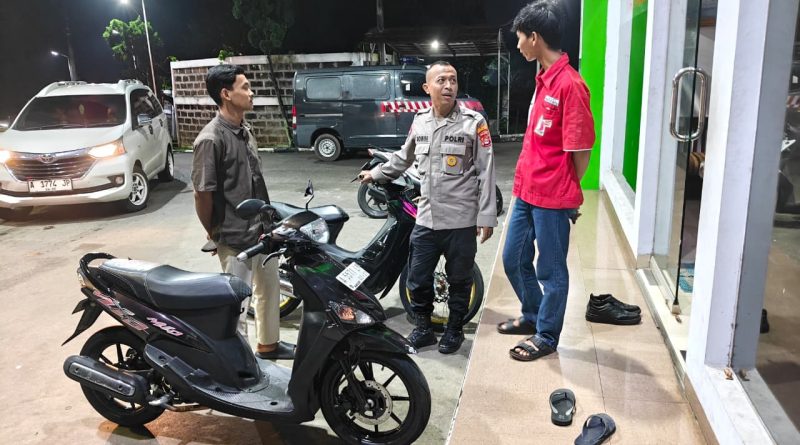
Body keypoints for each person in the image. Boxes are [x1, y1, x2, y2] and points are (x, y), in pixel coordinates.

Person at [360, 61, 497, 354]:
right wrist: (376, 173)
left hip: (461, 221)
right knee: (417, 278)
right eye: (441, 80)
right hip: (426, 218)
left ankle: (454, 331)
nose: (449, 86)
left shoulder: (473, 122)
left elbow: (486, 171)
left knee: (460, 280)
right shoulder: (420, 121)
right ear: (427, 88)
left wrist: (486, 216)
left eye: (453, 80)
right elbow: (404, 157)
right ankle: (423, 328)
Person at [498, 0, 595, 361]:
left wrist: (567, 191)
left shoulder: (571, 85)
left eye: (520, 37)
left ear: (535, 37)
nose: (518, 44)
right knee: (513, 258)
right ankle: (534, 314)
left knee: (551, 271)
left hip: (552, 196)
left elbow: (581, 150)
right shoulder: (543, 80)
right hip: (528, 190)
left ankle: (547, 335)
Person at [191, 64, 294, 360]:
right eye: (245, 87)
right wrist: (213, 232)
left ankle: (269, 345)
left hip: (262, 231)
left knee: (269, 291)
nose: (251, 93)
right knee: (237, 303)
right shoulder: (210, 139)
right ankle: (239, 363)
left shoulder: (245, 131)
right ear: (226, 94)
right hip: (234, 236)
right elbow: (202, 194)